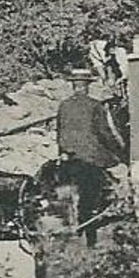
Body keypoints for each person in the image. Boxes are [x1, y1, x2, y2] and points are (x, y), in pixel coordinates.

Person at [55, 69, 127, 233]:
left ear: (73, 86)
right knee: (118, 173)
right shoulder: (95, 106)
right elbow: (104, 132)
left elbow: (59, 132)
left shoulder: (64, 105)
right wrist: (119, 151)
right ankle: (109, 208)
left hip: (68, 156)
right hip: (91, 156)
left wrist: (63, 153)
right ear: (87, 86)